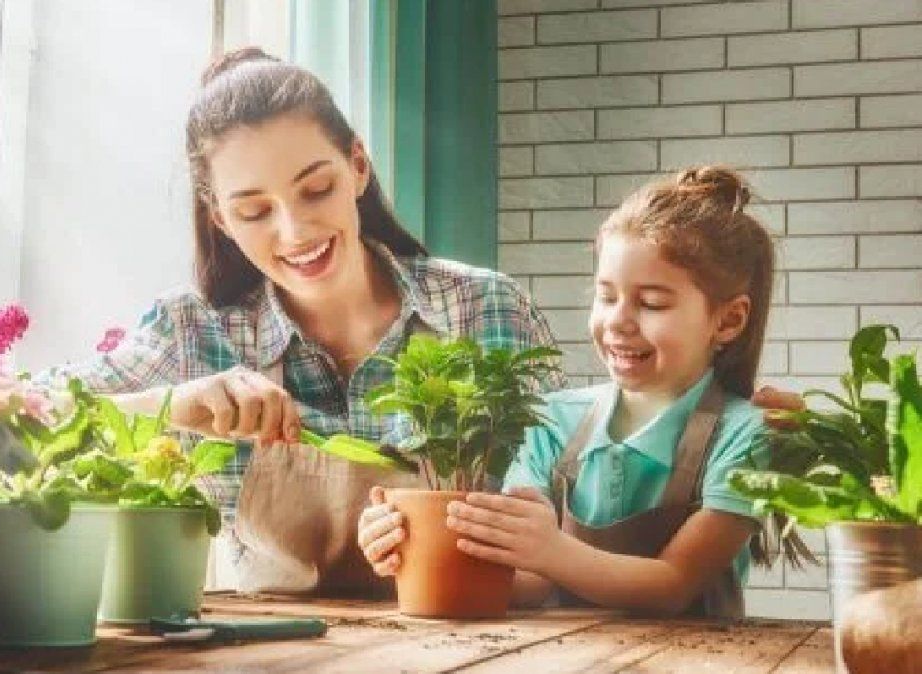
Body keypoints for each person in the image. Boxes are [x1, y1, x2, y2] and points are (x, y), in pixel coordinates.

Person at [48, 47, 562, 596]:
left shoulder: (483, 308)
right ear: (221, 218)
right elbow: (15, 423)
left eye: (316, 190)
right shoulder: (195, 331)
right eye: (254, 211)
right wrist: (168, 406)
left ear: (357, 167)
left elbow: (570, 520)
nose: (295, 232)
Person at [358, 166, 779, 617]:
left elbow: (674, 584)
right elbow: (529, 584)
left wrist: (551, 550)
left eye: (652, 303)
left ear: (729, 320)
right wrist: (409, 546)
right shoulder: (550, 419)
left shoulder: (747, 434)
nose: (618, 320)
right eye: (606, 296)